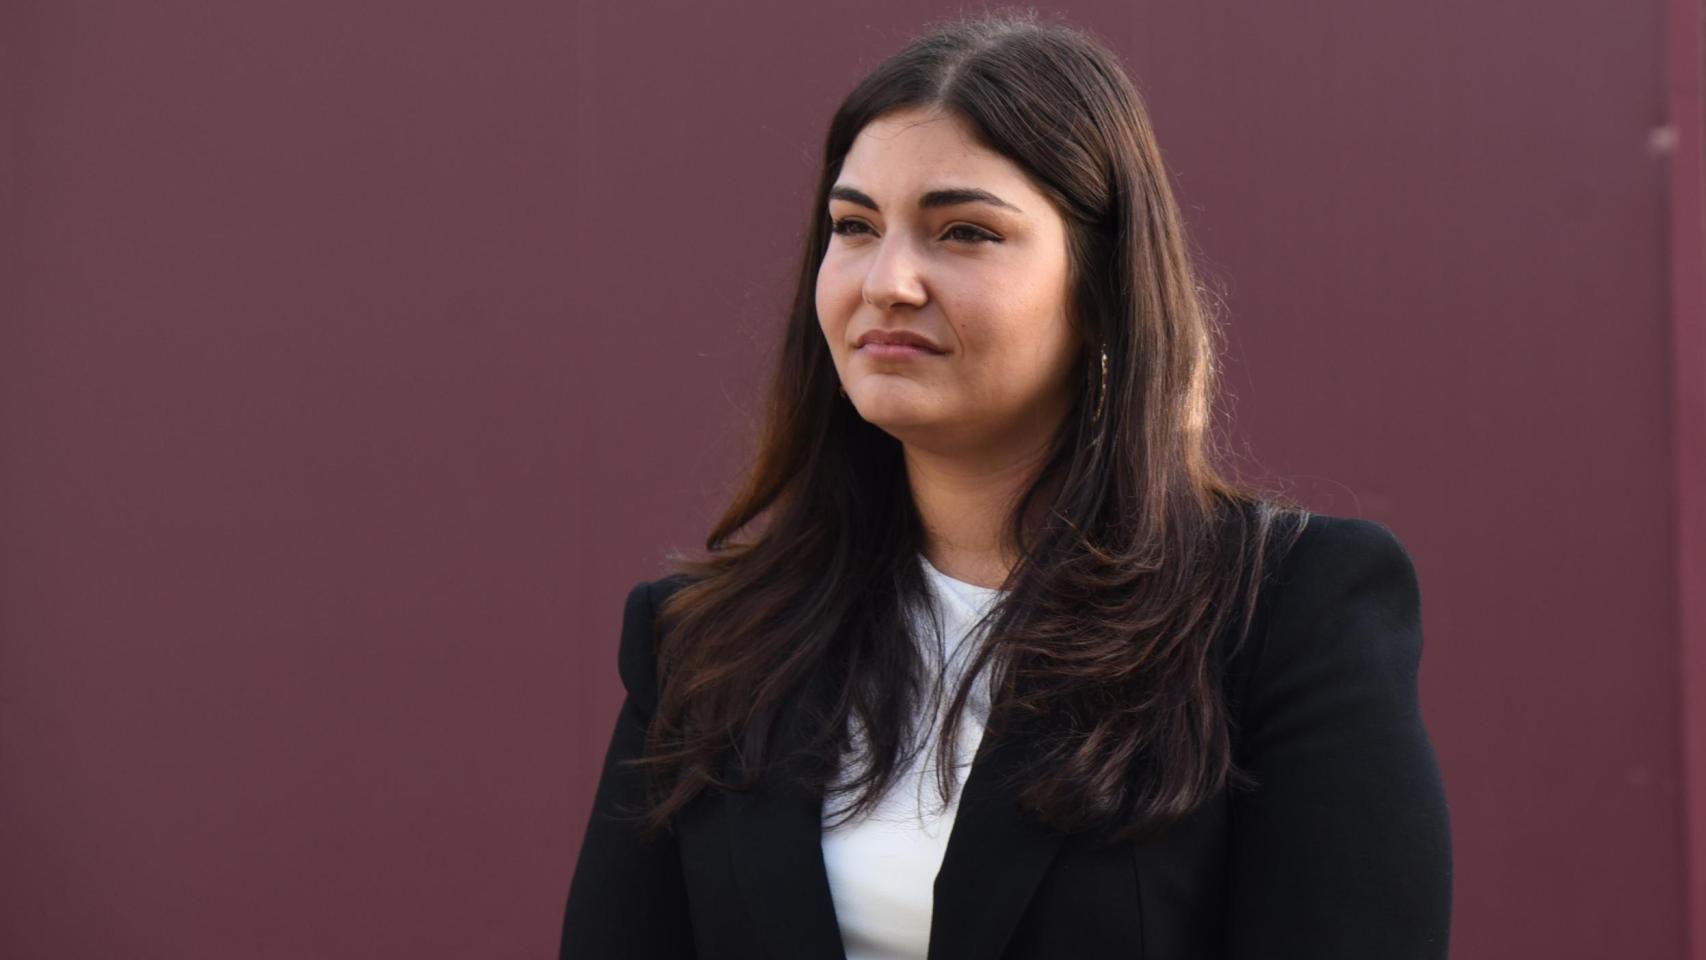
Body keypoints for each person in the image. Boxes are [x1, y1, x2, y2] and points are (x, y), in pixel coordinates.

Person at [560, 10, 1452, 959]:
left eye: (965, 232)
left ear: (1103, 284)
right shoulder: (708, 644)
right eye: (854, 226)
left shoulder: (1278, 612)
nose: (888, 280)